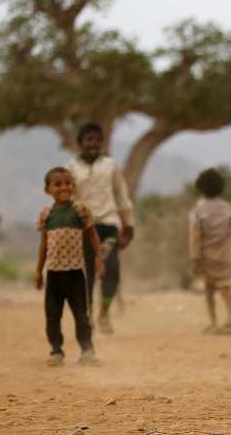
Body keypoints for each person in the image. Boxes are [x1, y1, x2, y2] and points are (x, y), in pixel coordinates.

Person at [66, 122, 135, 334]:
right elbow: (68, 198)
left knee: (112, 270)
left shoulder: (111, 166)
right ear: (80, 143)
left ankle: (104, 312)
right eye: (88, 139)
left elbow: (121, 194)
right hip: (84, 228)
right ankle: (87, 315)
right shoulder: (71, 168)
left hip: (109, 225)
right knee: (87, 274)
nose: (93, 144)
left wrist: (129, 224)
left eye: (97, 139)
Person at [36, 167, 103, 366]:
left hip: (75, 273)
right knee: (53, 314)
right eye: (57, 184)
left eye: (68, 183)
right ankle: (56, 351)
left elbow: (92, 236)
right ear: (48, 190)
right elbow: (43, 244)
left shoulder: (80, 210)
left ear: (73, 186)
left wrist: (99, 258)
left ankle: (87, 350)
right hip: (54, 274)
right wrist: (39, 271)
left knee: (82, 314)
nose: (63, 187)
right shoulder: (46, 214)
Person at [189, 168, 231, 335]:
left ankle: (213, 322)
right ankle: (230, 318)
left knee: (209, 289)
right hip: (225, 253)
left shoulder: (198, 209)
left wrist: (195, 258)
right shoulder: (226, 207)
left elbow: (195, 235)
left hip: (206, 255)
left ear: (201, 188)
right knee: (226, 287)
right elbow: (230, 224)